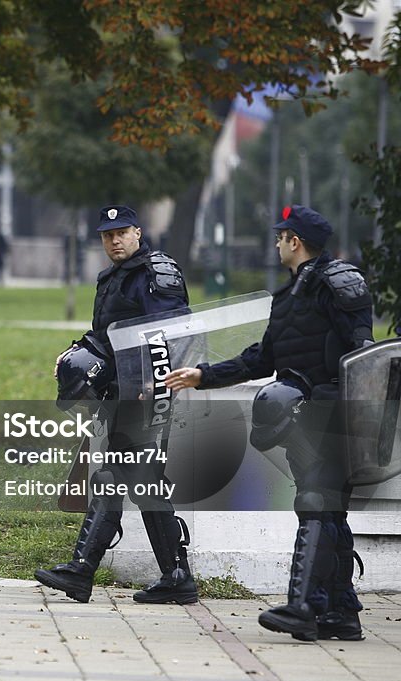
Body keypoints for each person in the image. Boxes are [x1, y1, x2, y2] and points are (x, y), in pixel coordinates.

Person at [166, 205, 372, 641]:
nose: (277, 244)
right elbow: (262, 360)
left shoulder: (339, 284)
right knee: (327, 510)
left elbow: (363, 356)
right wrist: (203, 376)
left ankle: (302, 607)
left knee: (317, 502)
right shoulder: (288, 297)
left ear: (294, 241)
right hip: (301, 417)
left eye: (281, 237)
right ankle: (341, 613)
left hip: (334, 416)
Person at [35, 205, 198, 605]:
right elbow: (106, 338)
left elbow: (174, 334)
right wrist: (77, 355)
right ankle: (176, 577)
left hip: (147, 396)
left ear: (138, 233)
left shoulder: (156, 274)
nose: (114, 240)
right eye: (108, 235)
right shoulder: (110, 278)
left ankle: (81, 570)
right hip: (121, 393)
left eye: (122, 232)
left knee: (116, 477)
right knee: (144, 485)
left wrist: (153, 384)